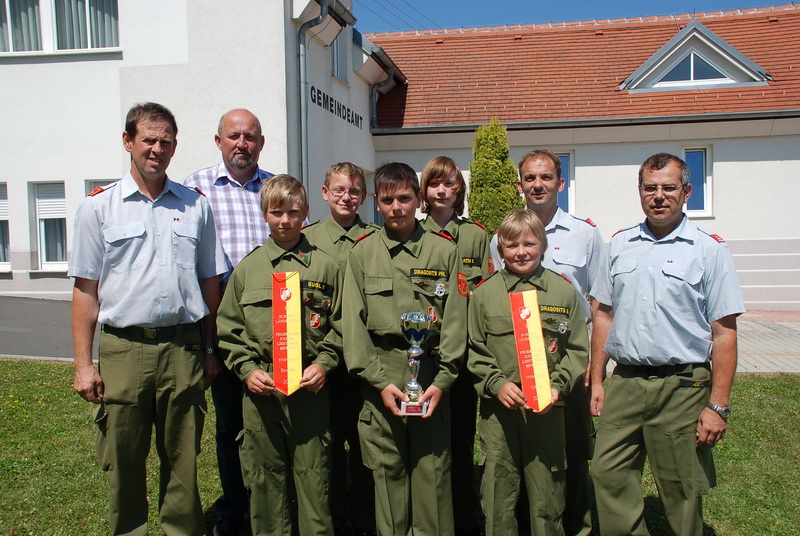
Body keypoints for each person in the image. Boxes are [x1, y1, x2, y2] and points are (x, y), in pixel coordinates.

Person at [70, 102, 227, 536]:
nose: (157, 149)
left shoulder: (196, 206)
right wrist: (84, 365)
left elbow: (209, 284)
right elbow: (86, 293)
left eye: (166, 142)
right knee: (124, 458)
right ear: (128, 143)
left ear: (175, 147)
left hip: (184, 347)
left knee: (182, 459)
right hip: (125, 349)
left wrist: (210, 349)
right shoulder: (99, 208)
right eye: (148, 140)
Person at [590, 153, 744, 535]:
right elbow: (604, 314)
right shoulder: (621, 244)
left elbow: (724, 332)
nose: (659, 196)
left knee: (680, 487)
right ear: (640, 192)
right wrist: (596, 379)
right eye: (650, 188)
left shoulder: (709, 250)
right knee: (606, 472)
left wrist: (718, 406)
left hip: (682, 386)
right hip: (625, 382)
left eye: (669, 187)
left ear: (686, 192)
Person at [489, 149, 612, 535]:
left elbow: (599, 303)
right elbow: (499, 294)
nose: (537, 185)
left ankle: (576, 524)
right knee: (520, 450)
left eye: (545, 178)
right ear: (521, 184)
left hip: (565, 366)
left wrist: (595, 371)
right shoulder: (502, 237)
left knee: (572, 450)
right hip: (515, 362)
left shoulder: (585, 233)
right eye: (529, 178)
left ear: (560, 183)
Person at [343, 162, 468, 536]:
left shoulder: (444, 252)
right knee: (388, 474)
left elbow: (457, 321)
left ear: (418, 200)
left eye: (404, 198)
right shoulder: (362, 255)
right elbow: (353, 327)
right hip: (380, 376)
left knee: (433, 475)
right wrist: (378, 382)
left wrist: (443, 381)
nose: (396, 207)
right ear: (376, 204)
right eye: (387, 200)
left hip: (429, 375)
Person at [217, 174, 342, 536]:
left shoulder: (325, 266)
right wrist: (246, 369)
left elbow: (343, 325)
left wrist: (325, 364)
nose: (285, 220)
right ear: (264, 215)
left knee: (314, 476)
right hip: (263, 389)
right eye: (276, 212)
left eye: (293, 212)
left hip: (309, 388)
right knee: (264, 478)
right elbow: (229, 329)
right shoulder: (248, 268)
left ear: (305, 212)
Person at [469, 208, 589, 536]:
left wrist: (557, 386)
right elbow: (475, 349)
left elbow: (577, 349)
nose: (521, 251)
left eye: (530, 243)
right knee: (498, 492)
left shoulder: (563, 292)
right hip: (500, 413)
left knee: (548, 493)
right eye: (512, 245)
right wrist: (496, 384)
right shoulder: (484, 295)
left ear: (543, 246)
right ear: (500, 249)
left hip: (548, 410)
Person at [183, 108, 272, 535]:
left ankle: (273, 502)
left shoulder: (275, 189)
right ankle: (235, 506)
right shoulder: (194, 189)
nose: (242, 144)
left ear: (261, 142)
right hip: (221, 328)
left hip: (274, 331)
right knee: (230, 425)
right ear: (218, 141)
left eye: (250, 136)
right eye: (234, 136)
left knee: (271, 422)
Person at [303, 162, 378, 536]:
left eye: (354, 191)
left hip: (368, 362)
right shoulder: (307, 239)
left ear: (364, 197)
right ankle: (330, 515)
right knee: (326, 444)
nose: (346, 197)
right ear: (324, 193)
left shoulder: (378, 238)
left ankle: (365, 517)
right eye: (339, 190)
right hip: (322, 363)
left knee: (366, 443)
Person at [419, 155, 489, 536]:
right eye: (434, 184)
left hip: (465, 356)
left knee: (462, 438)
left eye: (449, 183)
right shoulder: (415, 236)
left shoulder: (476, 235)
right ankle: (431, 513)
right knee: (430, 440)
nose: (442, 190)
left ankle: (465, 517)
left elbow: (485, 291)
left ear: (459, 190)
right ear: (424, 193)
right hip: (428, 354)